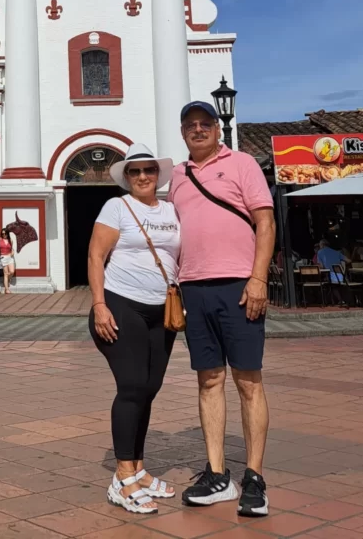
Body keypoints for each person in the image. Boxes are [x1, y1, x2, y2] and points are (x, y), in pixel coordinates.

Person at [169, 101, 276, 518]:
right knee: (208, 380)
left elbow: (264, 222)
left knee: (248, 381)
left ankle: (254, 477)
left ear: (217, 129)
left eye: (205, 124)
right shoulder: (177, 176)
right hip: (194, 287)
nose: (198, 130)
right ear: (183, 133)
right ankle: (217, 474)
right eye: (190, 125)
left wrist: (259, 278)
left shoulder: (243, 163)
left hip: (238, 284)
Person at [88, 143, 180, 516]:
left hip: (163, 311)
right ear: (126, 177)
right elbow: (96, 255)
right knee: (130, 387)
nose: (143, 176)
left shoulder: (173, 210)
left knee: (149, 388)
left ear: (158, 175)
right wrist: (99, 304)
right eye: (135, 171)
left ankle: (139, 469)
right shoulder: (117, 207)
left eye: (149, 170)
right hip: (122, 304)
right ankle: (122, 476)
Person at [316, 238, 347, 305]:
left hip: (330, 276)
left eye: (319, 245)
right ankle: (340, 300)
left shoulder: (320, 252)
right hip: (341, 276)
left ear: (322, 245)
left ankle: (338, 300)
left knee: (329, 283)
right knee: (334, 284)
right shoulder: (336, 252)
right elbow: (349, 260)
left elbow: (321, 266)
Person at [0, 228, 16, 295]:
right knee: (5, 273)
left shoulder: (10, 240)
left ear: (7, 233)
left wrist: (13, 252)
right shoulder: (0, 240)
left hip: (10, 257)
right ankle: (7, 289)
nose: (4, 235)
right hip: (3, 257)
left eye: (5, 233)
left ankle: (7, 280)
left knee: (12, 271)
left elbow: (12, 249)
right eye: (2, 234)